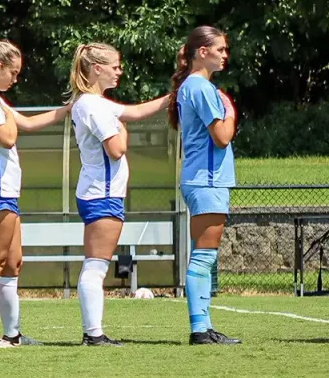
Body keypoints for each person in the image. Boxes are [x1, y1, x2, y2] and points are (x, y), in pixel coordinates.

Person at [0, 37, 70, 348]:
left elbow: (30, 123)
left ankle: (13, 334)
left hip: (5, 190)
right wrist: (6, 113)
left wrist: (68, 109)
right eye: (13, 72)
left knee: (13, 262)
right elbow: (8, 136)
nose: (16, 78)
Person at [67, 43, 169, 346]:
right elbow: (116, 148)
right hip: (102, 193)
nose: (119, 71)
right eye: (115, 66)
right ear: (97, 68)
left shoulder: (95, 102)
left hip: (99, 191)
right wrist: (121, 130)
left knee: (95, 264)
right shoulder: (92, 105)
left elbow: (136, 112)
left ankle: (93, 332)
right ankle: (93, 334)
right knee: (96, 265)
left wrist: (172, 97)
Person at [171, 26, 240, 345]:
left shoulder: (192, 86)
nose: (225, 55)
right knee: (204, 256)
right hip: (207, 181)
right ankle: (200, 329)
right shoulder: (200, 87)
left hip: (199, 179)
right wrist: (231, 112)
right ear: (203, 52)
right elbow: (222, 137)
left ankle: (204, 326)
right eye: (221, 49)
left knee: (203, 254)